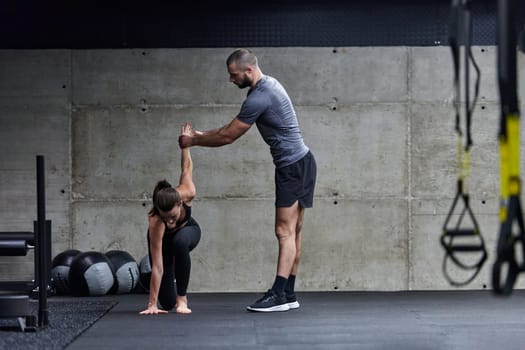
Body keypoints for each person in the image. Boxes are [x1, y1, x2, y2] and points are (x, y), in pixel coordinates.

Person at [179, 48, 317, 312]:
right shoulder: (268, 85)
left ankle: (278, 295)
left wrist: (194, 140)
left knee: (284, 231)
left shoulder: (260, 97)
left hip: (292, 168)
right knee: (293, 232)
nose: (231, 80)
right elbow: (223, 132)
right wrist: (199, 135)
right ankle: (288, 293)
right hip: (303, 162)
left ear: (249, 71)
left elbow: (228, 136)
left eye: (234, 75)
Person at [140, 123, 201, 315]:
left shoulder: (188, 192)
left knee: (180, 241)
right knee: (166, 303)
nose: (170, 222)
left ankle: (182, 299)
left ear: (181, 203)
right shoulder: (156, 222)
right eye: (165, 218)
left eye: (173, 217)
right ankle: (171, 296)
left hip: (189, 232)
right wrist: (152, 305)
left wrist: (186, 146)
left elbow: (186, 167)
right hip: (165, 245)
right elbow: (157, 266)